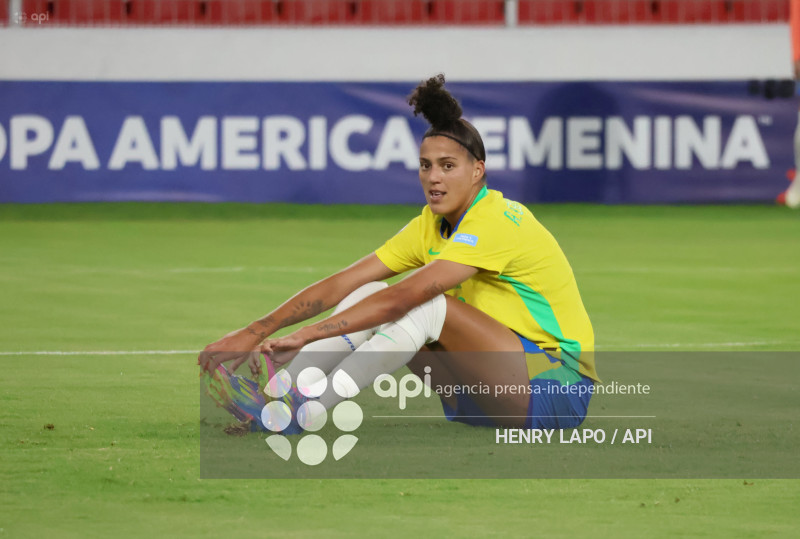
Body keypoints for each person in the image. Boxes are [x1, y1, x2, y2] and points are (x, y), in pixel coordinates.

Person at [199, 74, 599, 433]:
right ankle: (274, 401)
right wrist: (256, 330)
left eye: (447, 166)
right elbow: (344, 283)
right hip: (479, 396)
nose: (434, 177)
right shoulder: (429, 223)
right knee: (367, 292)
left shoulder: (498, 219)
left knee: (426, 304)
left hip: (551, 391)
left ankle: (306, 413)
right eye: (426, 166)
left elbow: (403, 298)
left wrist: (305, 335)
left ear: (477, 171)